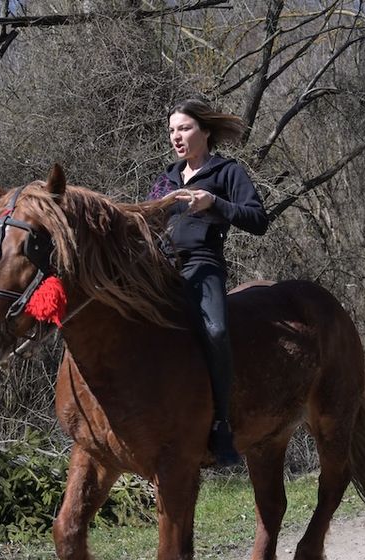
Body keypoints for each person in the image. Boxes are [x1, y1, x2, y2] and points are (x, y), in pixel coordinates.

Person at [147, 98, 269, 466]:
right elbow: (147, 222)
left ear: (206, 131)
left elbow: (258, 220)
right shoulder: (165, 179)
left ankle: (221, 423)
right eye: (172, 130)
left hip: (203, 265)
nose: (176, 137)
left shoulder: (227, 172)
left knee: (215, 331)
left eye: (183, 128)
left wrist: (214, 202)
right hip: (162, 269)